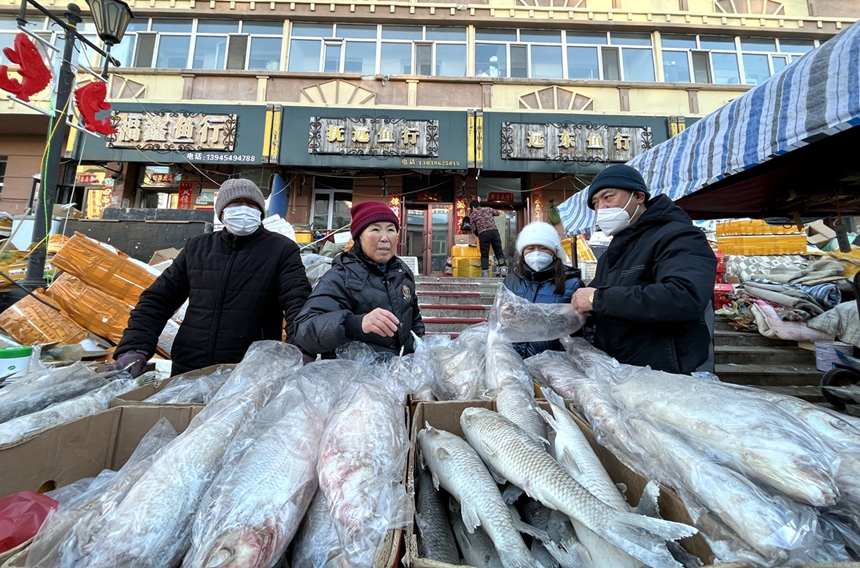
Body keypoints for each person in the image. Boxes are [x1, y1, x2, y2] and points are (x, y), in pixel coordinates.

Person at [111, 178, 312, 377]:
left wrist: (301, 351)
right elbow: (157, 301)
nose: (244, 209)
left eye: (251, 204)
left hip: (249, 372)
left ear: (260, 211)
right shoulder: (197, 248)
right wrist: (135, 349)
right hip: (189, 367)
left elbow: (298, 303)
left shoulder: (281, 250)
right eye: (236, 203)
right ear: (222, 210)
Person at [571, 164, 716, 375]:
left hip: (666, 375)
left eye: (608, 197)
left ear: (638, 196)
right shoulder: (615, 250)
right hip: (620, 372)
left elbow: (684, 296)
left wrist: (597, 299)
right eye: (595, 203)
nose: (601, 207)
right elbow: (604, 306)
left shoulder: (678, 236)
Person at [295, 201, 425, 358]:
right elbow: (305, 331)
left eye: (391, 230)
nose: (385, 238)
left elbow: (414, 321)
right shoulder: (340, 277)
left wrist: (419, 352)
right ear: (358, 237)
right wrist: (355, 324)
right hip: (352, 378)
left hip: (397, 375)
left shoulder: (402, 273)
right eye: (375, 229)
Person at [504, 221, 583, 358]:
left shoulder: (572, 284)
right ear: (522, 252)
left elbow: (583, 331)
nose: (536, 253)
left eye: (543, 248)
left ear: (554, 252)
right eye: (530, 248)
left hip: (554, 366)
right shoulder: (511, 281)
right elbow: (497, 323)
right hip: (514, 363)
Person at [469, 199, 508, 278]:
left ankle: (485, 272)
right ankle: (503, 269)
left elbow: (473, 228)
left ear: (473, 207)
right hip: (494, 232)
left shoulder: (473, 215)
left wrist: (478, 234)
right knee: (499, 252)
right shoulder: (487, 209)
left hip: (483, 234)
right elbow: (497, 213)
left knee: (484, 254)